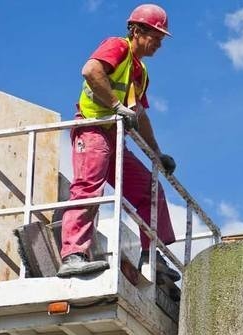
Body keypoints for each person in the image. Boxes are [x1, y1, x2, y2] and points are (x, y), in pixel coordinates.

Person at [58, 3, 180, 281]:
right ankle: (73, 255)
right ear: (136, 31)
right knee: (88, 188)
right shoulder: (118, 47)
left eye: (161, 39)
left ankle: (152, 256)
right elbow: (90, 70)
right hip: (92, 130)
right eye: (156, 37)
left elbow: (139, 113)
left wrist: (157, 154)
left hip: (114, 138)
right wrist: (115, 105)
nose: (159, 44)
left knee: (151, 189)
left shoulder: (140, 72)